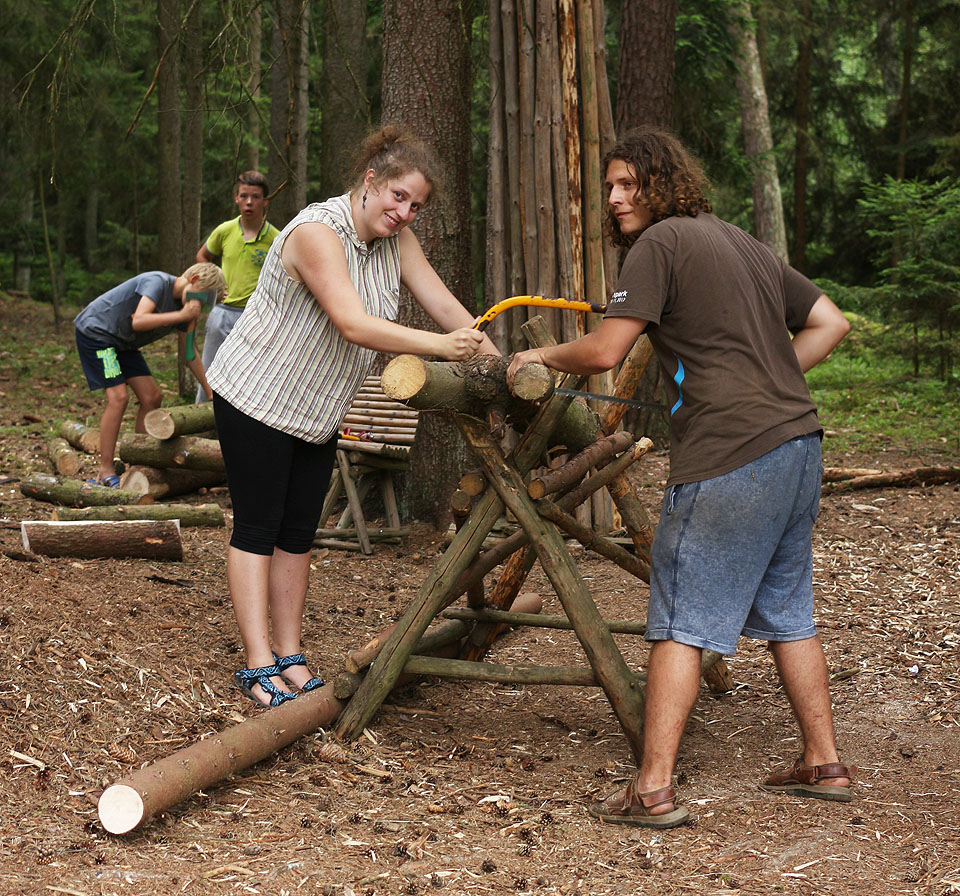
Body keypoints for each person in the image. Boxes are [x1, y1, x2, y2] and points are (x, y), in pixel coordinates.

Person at [506, 127, 853, 829]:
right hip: (798, 446)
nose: (616, 197)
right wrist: (772, 382)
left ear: (664, 184)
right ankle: (824, 761)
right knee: (788, 610)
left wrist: (533, 354)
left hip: (731, 456)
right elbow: (830, 322)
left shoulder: (658, 246)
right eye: (609, 185)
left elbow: (606, 350)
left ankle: (653, 788)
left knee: (680, 620)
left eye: (629, 183)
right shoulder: (740, 243)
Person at [207, 125, 499, 709]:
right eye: (398, 196)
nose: (404, 212)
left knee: (297, 534)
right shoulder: (318, 232)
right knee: (258, 528)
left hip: (316, 407)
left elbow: (441, 303)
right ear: (371, 180)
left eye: (416, 206)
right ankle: (257, 660)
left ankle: (290, 653)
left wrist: (496, 361)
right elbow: (352, 322)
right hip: (257, 396)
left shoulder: (396, 241)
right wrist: (443, 349)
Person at [74, 263, 226, 487]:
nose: (198, 305)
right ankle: (105, 471)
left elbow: (189, 354)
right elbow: (139, 320)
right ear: (193, 280)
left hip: (123, 344)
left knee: (152, 397)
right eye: (200, 297)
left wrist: (209, 389)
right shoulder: (157, 282)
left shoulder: (186, 310)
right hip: (98, 335)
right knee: (118, 397)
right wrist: (180, 315)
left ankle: (139, 458)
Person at [194, 171, 280, 402]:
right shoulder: (224, 231)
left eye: (255, 196)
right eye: (244, 196)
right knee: (210, 370)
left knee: (251, 377)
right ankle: (199, 424)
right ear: (236, 199)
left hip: (256, 317)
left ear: (265, 201)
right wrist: (214, 286)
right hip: (222, 313)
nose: (249, 202)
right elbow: (202, 257)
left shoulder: (275, 238)